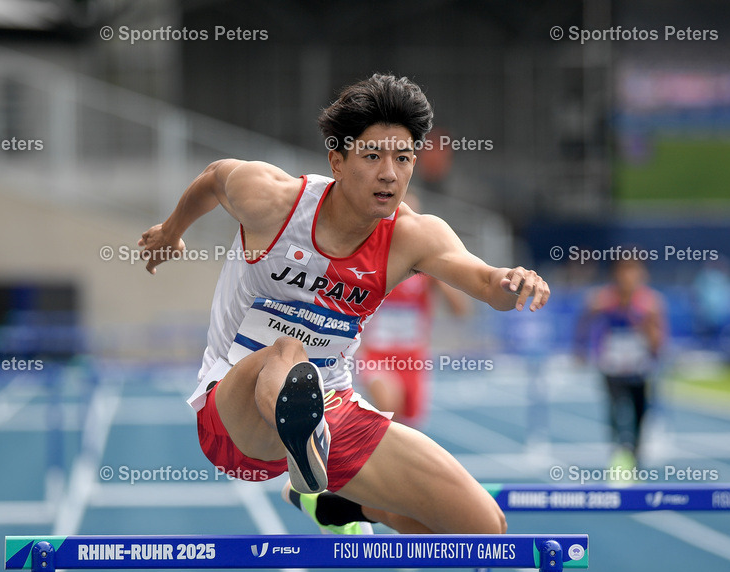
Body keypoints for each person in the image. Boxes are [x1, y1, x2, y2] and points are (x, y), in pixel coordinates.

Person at [138, 74, 549, 535]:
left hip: (330, 405)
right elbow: (215, 178)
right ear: (337, 160)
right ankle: (306, 448)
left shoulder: (413, 237)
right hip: (234, 415)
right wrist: (171, 231)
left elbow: (486, 284)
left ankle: (332, 502)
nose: (390, 173)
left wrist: (512, 281)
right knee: (288, 352)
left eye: (404, 158)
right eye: (373, 156)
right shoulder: (273, 201)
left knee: (482, 529)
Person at [575, 256, 666, 477]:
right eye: (624, 271)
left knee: (640, 415)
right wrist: (579, 348)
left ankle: (635, 456)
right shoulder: (602, 299)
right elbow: (583, 321)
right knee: (617, 412)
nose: (628, 277)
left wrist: (645, 325)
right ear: (616, 274)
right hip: (612, 367)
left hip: (639, 369)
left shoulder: (651, 303)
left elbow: (659, 339)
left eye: (634, 271)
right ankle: (619, 452)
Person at [358, 272, 468, 428]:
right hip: (377, 355)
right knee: (389, 409)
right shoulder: (380, 269)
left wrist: (441, 280)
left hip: (412, 360)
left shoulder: (426, 273)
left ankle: (390, 450)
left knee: (410, 426)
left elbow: (461, 311)